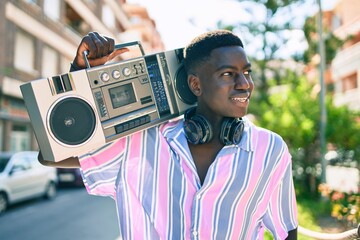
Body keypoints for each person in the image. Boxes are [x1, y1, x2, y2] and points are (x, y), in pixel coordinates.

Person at [40, 30, 298, 239]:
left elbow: (287, 232)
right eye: (228, 74)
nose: (245, 84)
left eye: (247, 72)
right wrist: (79, 74)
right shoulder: (140, 141)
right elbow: (51, 154)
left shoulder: (269, 149)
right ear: (195, 84)